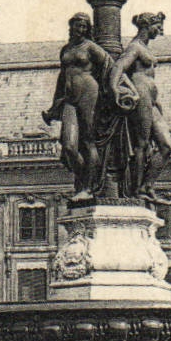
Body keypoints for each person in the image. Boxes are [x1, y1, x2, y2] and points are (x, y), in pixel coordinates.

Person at [103, 11, 171, 200]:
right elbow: (118, 67)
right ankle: (137, 189)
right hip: (140, 94)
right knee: (141, 144)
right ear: (146, 26)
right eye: (157, 27)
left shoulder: (144, 47)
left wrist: (156, 102)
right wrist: (114, 88)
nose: (160, 31)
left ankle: (146, 185)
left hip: (150, 98)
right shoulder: (135, 47)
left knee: (167, 146)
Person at [43, 12, 113, 200]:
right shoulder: (65, 49)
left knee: (89, 141)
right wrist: (54, 105)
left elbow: (109, 65)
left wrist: (112, 90)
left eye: (84, 26)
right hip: (69, 98)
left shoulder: (91, 47)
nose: (80, 29)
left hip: (89, 94)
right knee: (69, 145)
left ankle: (88, 187)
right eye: (77, 25)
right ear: (71, 27)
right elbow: (62, 75)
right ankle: (85, 180)